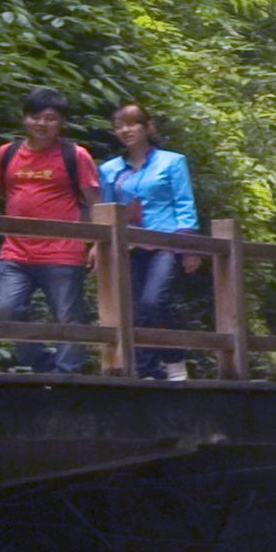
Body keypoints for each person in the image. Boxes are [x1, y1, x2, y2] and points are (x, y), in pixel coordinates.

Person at [0, 88, 99, 372]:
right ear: (25, 119)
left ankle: (67, 376)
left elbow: (94, 201)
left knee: (68, 316)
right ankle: (39, 362)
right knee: (6, 309)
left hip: (63, 250)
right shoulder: (7, 153)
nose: (41, 123)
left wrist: (99, 243)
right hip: (16, 249)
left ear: (61, 122)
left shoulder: (75, 155)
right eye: (35, 117)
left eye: (50, 118)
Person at [101, 101, 198, 378]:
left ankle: (174, 359)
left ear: (147, 127)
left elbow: (184, 203)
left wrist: (189, 245)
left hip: (165, 242)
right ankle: (144, 369)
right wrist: (101, 248)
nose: (125, 130)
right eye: (119, 126)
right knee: (133, 309)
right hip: (128, 245)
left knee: (153, 301)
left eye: (132, 123)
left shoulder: (172, 162)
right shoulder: (110, 170)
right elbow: (106, 210)